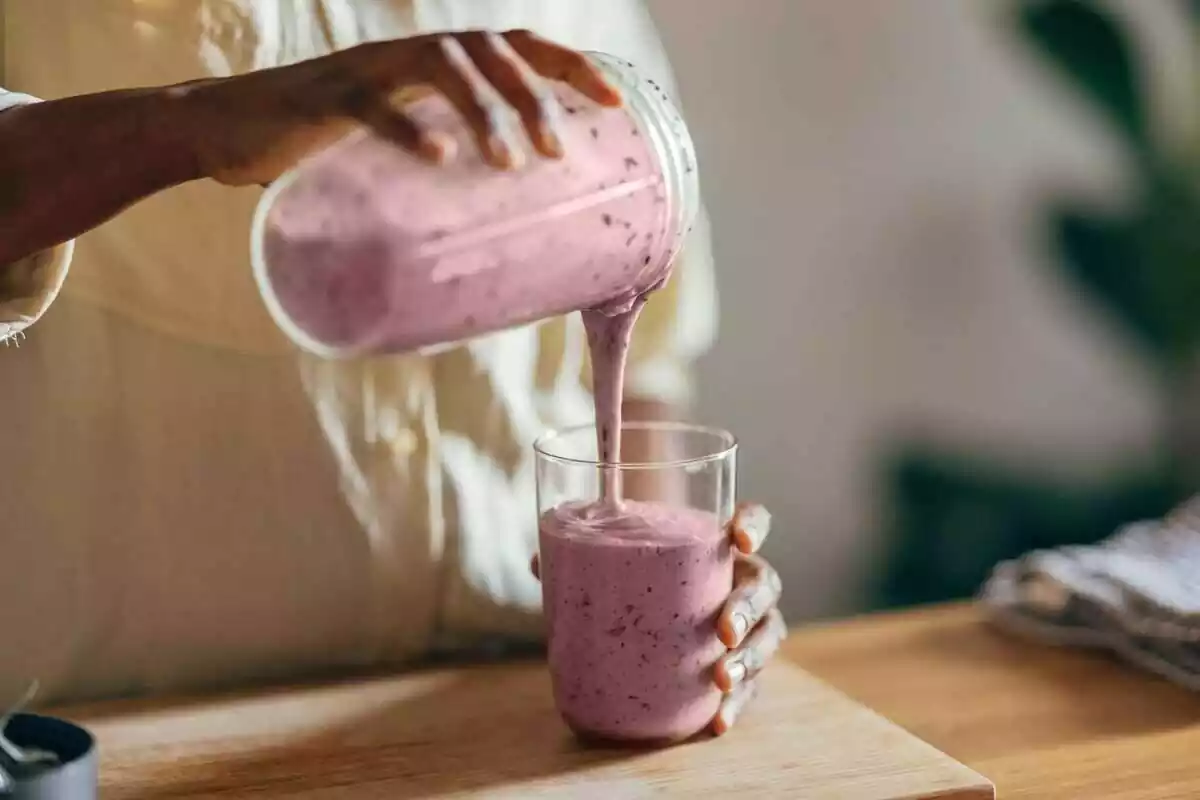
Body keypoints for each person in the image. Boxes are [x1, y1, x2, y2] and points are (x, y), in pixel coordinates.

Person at [0, 3, 784, 735]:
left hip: (513, 723)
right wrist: (194, 120)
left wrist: (682, 616)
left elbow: (647, 361)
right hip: (130, 737)